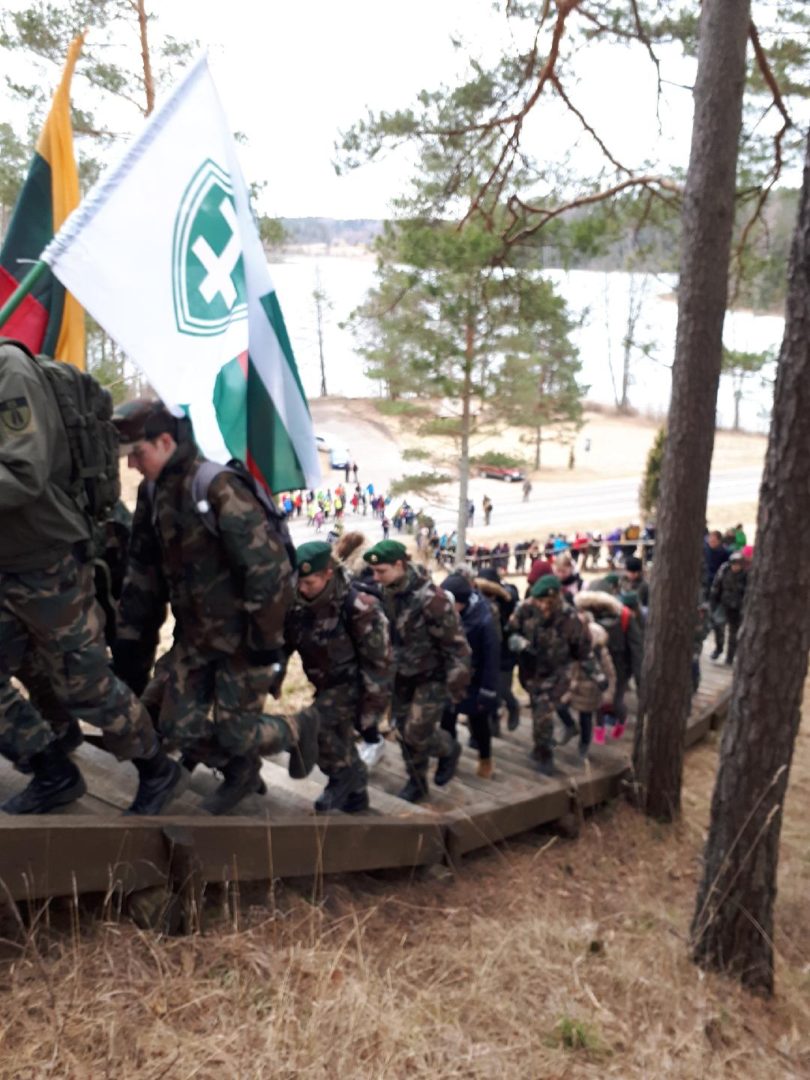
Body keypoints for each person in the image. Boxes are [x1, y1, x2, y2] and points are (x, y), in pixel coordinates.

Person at [0, 341, 183, 815]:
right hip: (7, 557)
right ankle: (51, 768)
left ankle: (155, 767)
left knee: (83, 683)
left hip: (45, 559)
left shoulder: (8, 369)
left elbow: (24, 472)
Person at [112, 399, 316, 815]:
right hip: (195, 639)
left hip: (245, 639)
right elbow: (143, 572)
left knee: (236, 731)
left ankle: (298, 729)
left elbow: (269, 571)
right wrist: (131, 638)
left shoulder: (217, 488)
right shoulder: (153, 492)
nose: (131, 464)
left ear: (165, 442)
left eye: (137, 453)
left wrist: (266, 644)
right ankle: (241, 768)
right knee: (173, 726)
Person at [278, 541, 392, 813]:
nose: (302, 589)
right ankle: (357, 795)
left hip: (355, 685)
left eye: (309, 582)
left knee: (313, 726)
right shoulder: (298, 606)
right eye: (299, 582)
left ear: (328, 574)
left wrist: (371, 713)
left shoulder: (359, 607)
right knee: (338, 738)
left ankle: (340, 778)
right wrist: (275, 674)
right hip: (324, 685)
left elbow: (380, 665)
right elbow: (285, 644)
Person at [364, 540, 471, 803]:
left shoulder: (432, 599)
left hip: (431, 677)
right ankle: (417, 781)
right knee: (401, 730)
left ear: (399, 565)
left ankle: (448, 748)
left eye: (381, 571)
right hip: (401, 676)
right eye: (374, 571)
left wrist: (456, 686)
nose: (375, 577)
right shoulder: (387, 592)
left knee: (416, 732)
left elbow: (457, 647)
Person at [508, 574, 602, 776]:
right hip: (531, 672)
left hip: (558, 674)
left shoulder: (571, 619)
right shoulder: (525, 609)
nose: (543, 606)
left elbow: (584, 651)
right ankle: (539, 746)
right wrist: (518, 643)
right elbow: (511, 631)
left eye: (548, 602)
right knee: (538, 710)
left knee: (544, 711)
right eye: (540, 601)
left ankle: (545, 755)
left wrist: (597, 675)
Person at [440, 573, 499, 778]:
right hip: (450, 678)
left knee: (479, 722)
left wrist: (488, 690)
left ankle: (485, 759)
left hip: (475, 681)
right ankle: (448, 757)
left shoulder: (484, 620)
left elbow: (491, 657)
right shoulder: (445, 615)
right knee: (447, 720)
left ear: (461, 602)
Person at [475, 566, 520, 733]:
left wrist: (498, 592)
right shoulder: (478, 602)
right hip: (486, 652)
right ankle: (493, 725)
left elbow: (512, 597)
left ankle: (512, 706)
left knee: (501, 688)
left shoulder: (507, 598)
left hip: (505, 653)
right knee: (488, 690)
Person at [709, 551, 747, 664]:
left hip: (737, 607)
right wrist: (714, 601)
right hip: (724, 603)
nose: (736, 567)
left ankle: (730, 656)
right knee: (718, 626)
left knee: (733, 633)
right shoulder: (724, 571)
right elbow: (716, 586)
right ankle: (719, 648)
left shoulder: (746, 575)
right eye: (734, 564)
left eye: (738, 565)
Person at [703, 529, 730, 600]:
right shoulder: (705, 549)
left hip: (717, 580)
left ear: (719, 541)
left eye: (713, 541)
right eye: (710, 540)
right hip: (705, 579)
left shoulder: (724, 553)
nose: (711, 542)